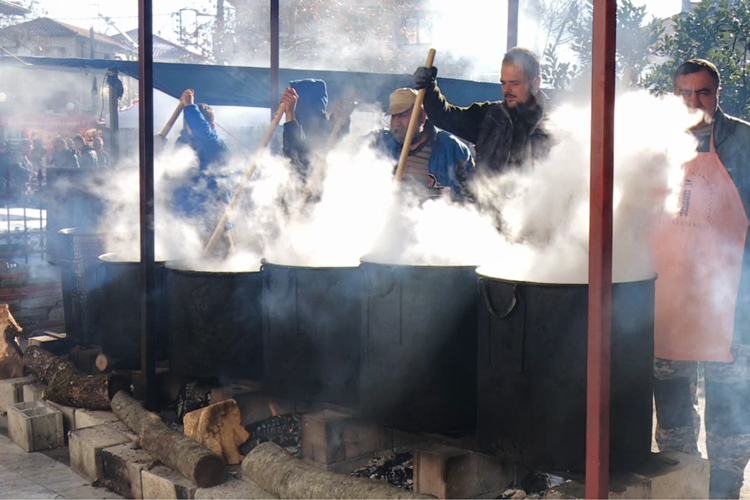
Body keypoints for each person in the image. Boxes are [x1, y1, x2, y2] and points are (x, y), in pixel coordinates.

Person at [650, 58, 750, 499]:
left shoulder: (743, 141)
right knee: (673, 409)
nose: (694, 102)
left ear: (717, 94)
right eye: (684, 93)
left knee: (729, 409)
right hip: (670, 297)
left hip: (731, 301)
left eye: (703, 92)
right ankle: (682, 485)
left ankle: (724, 489)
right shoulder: (653, 143)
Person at [413, 46, 553, 174]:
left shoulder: (555, 128)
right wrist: (429, 89)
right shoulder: (490, 117)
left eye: (515, 83)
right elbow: (443, 116)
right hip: (484, 194)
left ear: (536, 83)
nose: (507, 90)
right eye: (503, 83)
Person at [371, 87, 475, 200]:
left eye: (403, 115)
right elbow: (353, 152)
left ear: (423, 117)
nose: (396, 123)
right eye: (393, 116)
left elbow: (471, 195)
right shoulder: (381, 143)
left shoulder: (452, 149)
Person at [280, 79, 353, 182]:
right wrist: (290, 116)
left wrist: (341, 118)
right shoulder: (297, 132)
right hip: (298, 189)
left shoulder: (329, 131)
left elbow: (295, 159)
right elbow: (292, 159)